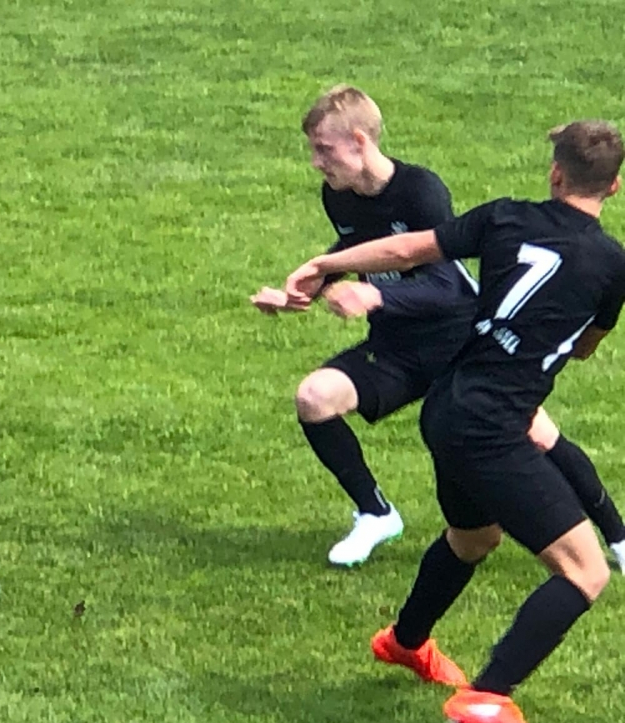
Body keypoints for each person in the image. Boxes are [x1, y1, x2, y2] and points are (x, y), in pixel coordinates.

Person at [282, 119, 625, 723]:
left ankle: (404, 642)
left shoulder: (504, 217)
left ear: (555, 175)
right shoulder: (612, 265)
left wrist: (326, 264)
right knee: (585, 572)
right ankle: (490, 696)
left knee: (473, 538)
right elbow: (585, 347)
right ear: (614, 187)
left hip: (446, 407)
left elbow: (406, 251)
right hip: (492, 426)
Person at [251, 85, 625, 570]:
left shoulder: (419, 191)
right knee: (314, 398)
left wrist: (377, 296)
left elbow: (447, 286)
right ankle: (376, 514)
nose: (316, 162)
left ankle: (617, 537)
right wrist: (306, 290)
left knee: (538, 434)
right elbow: (359, 250)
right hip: (395, 346)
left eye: (324, 149)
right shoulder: (337, 196)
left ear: (359, 141)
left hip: (457, 344)